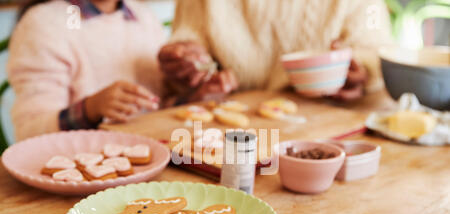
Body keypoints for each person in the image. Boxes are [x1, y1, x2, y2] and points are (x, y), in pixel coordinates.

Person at [158, 0, 393, 104]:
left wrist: (361, 71)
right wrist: (185, 61)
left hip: (328, 120)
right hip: (228, 134)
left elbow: (376, 50)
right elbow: (186, 42)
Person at [8, 0, 165, 141]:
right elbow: (29, 132)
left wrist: (182, 80)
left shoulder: (143, 15)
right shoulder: (44, 23)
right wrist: (90, 109)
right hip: (79, 163)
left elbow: (165, 103)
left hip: (156, 152)